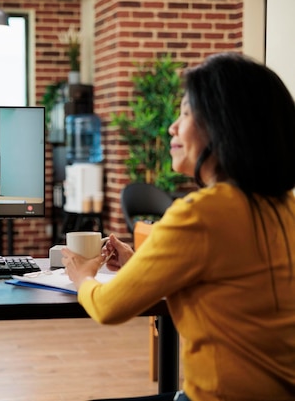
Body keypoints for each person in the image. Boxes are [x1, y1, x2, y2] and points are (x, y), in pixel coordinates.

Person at [62, 52, 295, 401]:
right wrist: (139, 262)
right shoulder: (285, 206)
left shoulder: (201, 213)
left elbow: (108, 307)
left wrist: (83, 277)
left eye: (185, 113)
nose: (172, 126)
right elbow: (225, 290)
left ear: (222, 125)